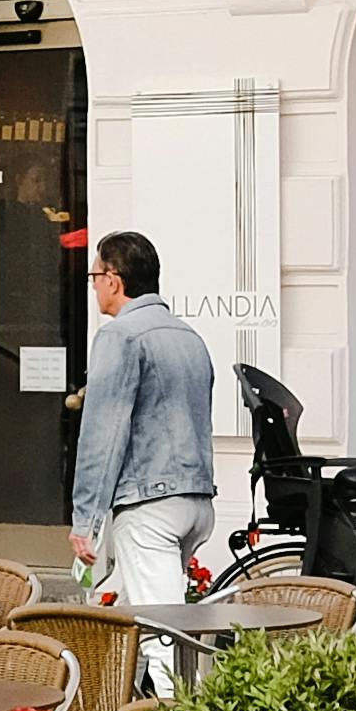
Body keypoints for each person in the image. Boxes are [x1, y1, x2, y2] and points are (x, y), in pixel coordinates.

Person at [70, 230, 217, 607]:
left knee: (164, 635)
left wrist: (86, 521)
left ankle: (172, 667)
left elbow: (102, 435)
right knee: (113, 614)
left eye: (93, 278)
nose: (93, 287)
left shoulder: (119, 337)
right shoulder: (189, 337)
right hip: (196, 500)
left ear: (113, 280)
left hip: (149, 507)